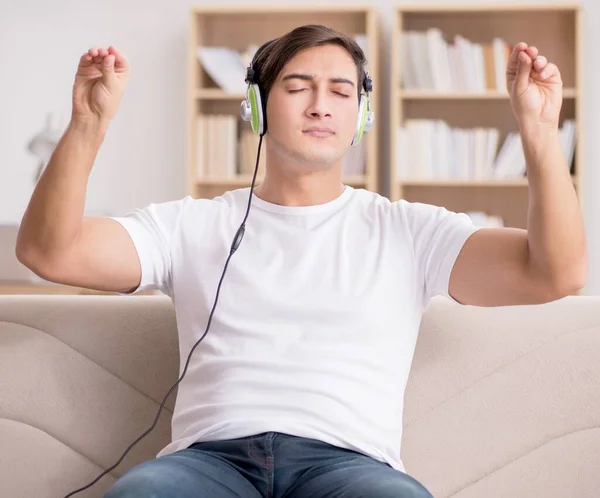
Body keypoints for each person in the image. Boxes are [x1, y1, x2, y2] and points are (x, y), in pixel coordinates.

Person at [16, 23, 587, 498]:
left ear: (361, 116)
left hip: (350, 469)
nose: (321, 105)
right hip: (207, 466)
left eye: (341, 91)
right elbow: (50, 251)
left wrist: (538, 131)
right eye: (298, 87)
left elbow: (554, 272)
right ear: (256, 106)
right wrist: (88, 125)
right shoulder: (190, 224)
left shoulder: (409, 230)